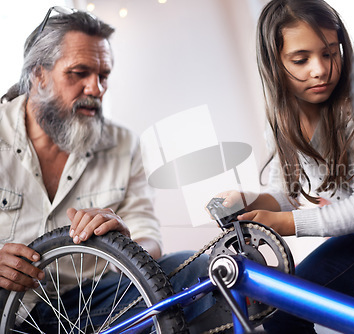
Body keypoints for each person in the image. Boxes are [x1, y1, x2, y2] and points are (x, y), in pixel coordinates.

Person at [215, 0, 354, 332]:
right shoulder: (282, 123)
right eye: (301, 59)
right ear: (274, 63)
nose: (319, 69)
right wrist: (244, 202)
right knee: (283, 306)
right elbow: (283, 193)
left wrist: (287, 223)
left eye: (329, 53)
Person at [0, 7, 211, 331]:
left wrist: (127, 237)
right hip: (8, 305)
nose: (96, 89)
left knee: (199, 268)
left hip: (90, 304)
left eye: (103, 75)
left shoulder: (124, 145)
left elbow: (149, 241)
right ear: (38, 75)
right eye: (79, 73)